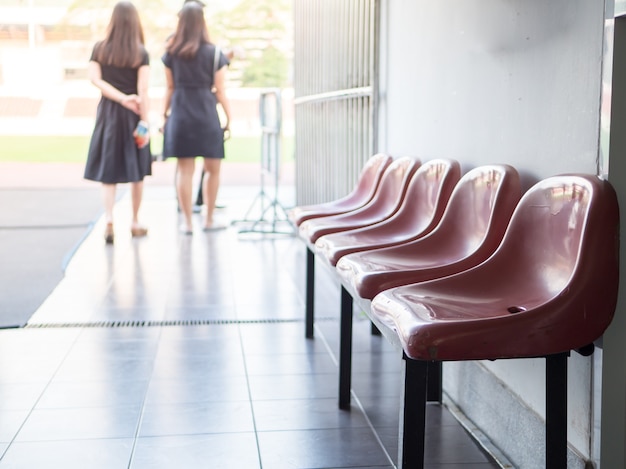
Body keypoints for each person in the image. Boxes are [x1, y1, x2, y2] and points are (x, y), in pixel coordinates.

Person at [84, 1, 152, 244]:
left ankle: (110, 219)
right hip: (133, 111)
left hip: (109, 115)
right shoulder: (140, 52)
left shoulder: (100, 49)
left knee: (108, 172)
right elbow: (143, 89)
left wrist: (119, 99)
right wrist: (144, 120)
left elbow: (95, 80)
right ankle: (135, 221)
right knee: (137, 171)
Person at [162, 0, 232, 233]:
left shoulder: (171, 53)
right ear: (202, 23)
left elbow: (169, 88)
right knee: (213, 169)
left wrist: (164, 115)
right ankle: (209, 220)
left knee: (185, 170)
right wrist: (229, 118)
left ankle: (188, 223)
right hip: (206, 114)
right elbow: (220, 91)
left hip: (181, 113)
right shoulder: (215, 54)